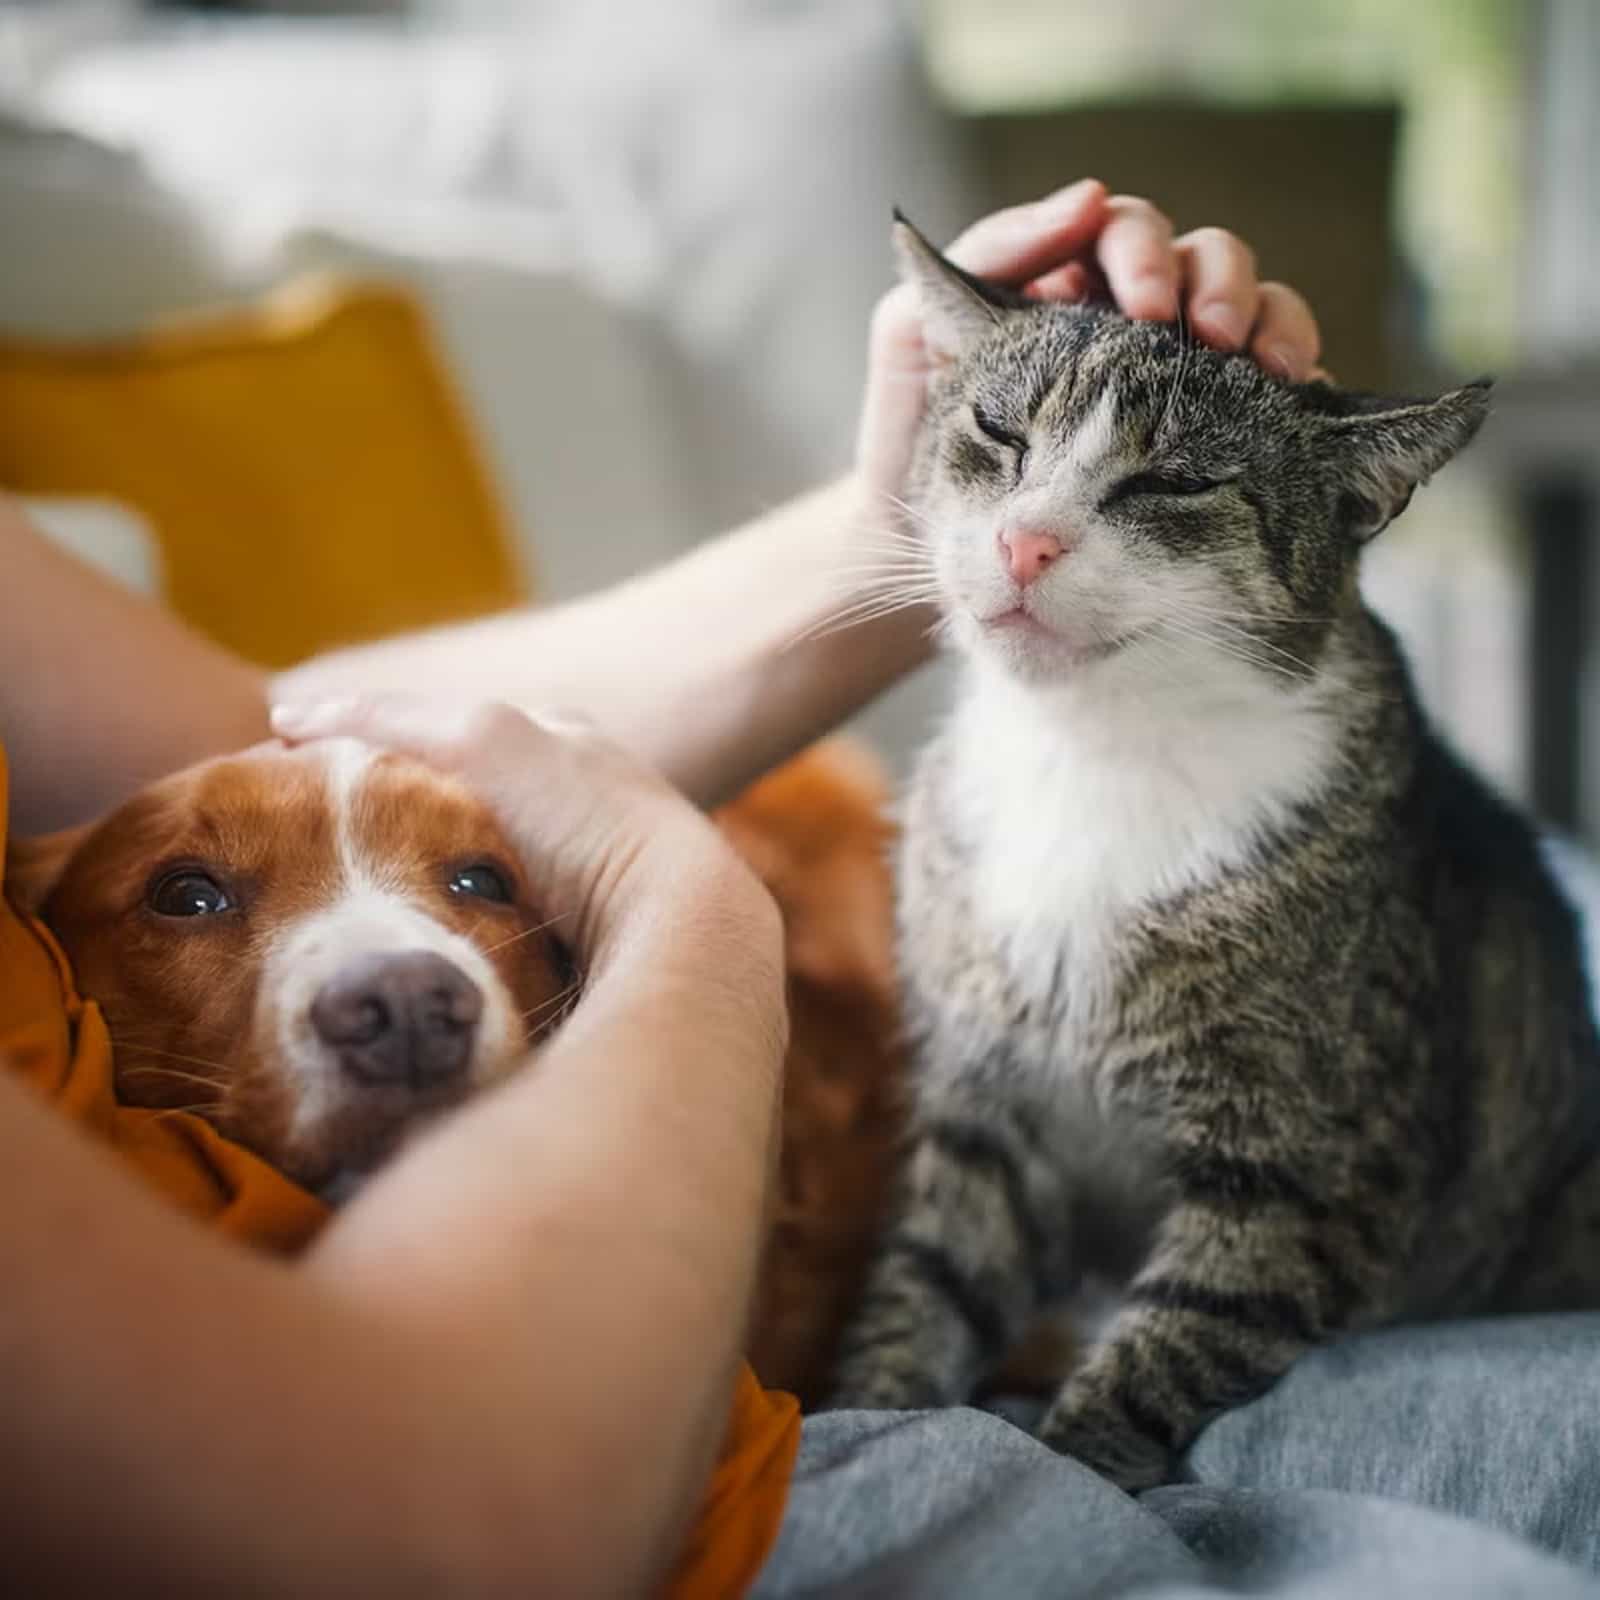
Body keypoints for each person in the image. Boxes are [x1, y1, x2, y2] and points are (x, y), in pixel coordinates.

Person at [3, 179, 1594, 1598]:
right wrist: (676, 899)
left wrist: (885, 529)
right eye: (1005, 461)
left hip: (1205, 1314)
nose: (1042, 536)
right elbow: (443, 1526)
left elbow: (262, 744)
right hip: (711, 1500)